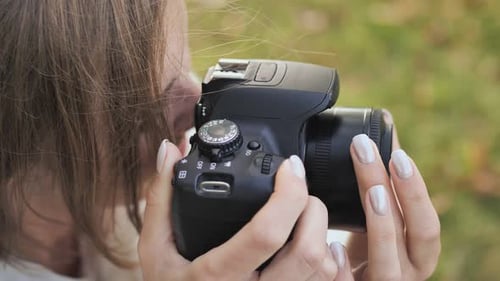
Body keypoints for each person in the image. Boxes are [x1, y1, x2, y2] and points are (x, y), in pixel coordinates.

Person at [0, 0, 441, 280]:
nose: (197, 100)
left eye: (184, 58)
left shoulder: (144, 206)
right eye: (130, 92)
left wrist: (355, 249)